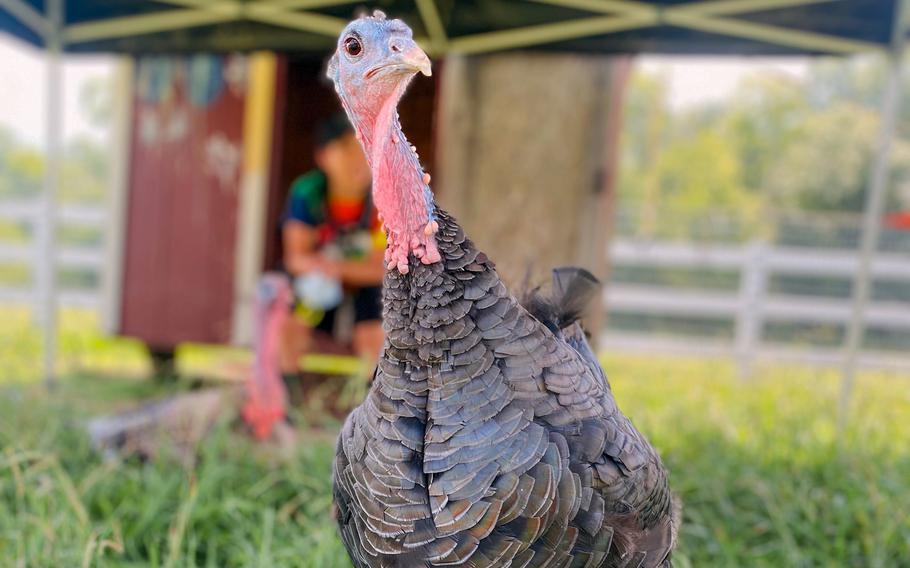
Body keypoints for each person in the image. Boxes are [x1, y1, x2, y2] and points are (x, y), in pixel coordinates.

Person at [280, 113, 385, 384]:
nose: (359, 159)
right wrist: (327, 271)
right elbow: (296, 259)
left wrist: (337, 268)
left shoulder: (381, 199)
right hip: (321, 281)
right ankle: (291, 397)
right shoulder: (308, 193)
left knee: (375, 331)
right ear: (324, 156)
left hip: (360, 281)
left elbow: (380, 270)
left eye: (365, 149)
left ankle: (372, 402)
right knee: (295, 321)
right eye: (348, 149)